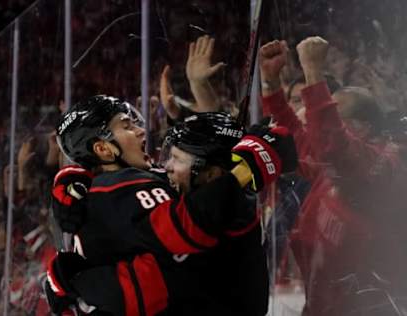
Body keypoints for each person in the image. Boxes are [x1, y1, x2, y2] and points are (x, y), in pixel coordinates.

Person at [45, 96, 297, 315]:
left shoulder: (102, 188)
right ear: (103, 148)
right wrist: (244, 171)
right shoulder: (119, 185)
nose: (141, 130)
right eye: (126, 125)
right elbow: (184, 228)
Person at [259, 36, 407, 315]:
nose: (312, 118)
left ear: (360, 128)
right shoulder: (336, 169)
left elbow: (333, 144)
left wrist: (313, 72)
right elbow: (298, 138)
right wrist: (271, 83)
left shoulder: (384, 164)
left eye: (329, 114)